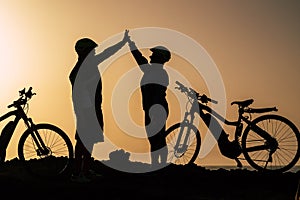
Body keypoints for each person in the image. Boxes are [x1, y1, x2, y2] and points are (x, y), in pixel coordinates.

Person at [69, 30, 129, 182]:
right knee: (83, 141)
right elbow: (78, 96)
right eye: (91, 50)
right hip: (86, 110)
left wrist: (122, 43)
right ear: (83, 52)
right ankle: (77, 173)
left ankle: (86, 170)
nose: (94, 52)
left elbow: (107, 53)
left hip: (93, 109)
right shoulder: (80, 71)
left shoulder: (90, 64)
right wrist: (84, 114)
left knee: (91, 141)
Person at [127, 34, 171, 169]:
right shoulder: (151, 70)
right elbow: (140, 59)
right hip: (151, 109)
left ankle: (160, 165)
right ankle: (155, 164)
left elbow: (141, 60)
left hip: (156, 109)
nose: (150, 56)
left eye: (154, 54)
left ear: (160, 58)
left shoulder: (157, 72)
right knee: (153, 139)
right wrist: (131, 45)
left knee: (158, 138)